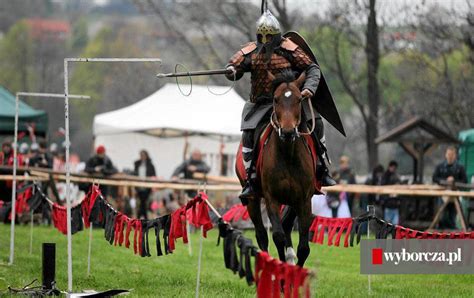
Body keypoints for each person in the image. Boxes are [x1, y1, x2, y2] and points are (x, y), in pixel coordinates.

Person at [225, 9, 339, 203]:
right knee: (248, 134)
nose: (265, 39)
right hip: (261, 102)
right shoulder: (251, 51)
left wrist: (309, 89)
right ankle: (251, 180)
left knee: (316, 122)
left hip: (290, 100)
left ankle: (321, 168)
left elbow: (312, 68)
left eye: (269, 35)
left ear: (276, 35)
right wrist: (231, 71)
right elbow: (235, 67)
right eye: (262, 36)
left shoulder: (290, 49)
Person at [432, 147, 467, 229]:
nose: (450, 156)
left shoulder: (460, 167)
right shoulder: (440, 167)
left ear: (455, 156)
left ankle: (451, 233)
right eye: (449, 154)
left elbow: (464, 181)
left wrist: (454, 181)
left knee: (453, 216)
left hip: (455, 195)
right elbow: (434, 178)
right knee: (441, 215)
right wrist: (445, 181)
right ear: (446, 155)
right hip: (442, 194)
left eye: (452, 154)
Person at [133, 150, 156, 219]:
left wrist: (152, 186)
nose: (142, 157)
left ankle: (140, 217)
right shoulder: (137, 164)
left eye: (143, 155)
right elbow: (135, 174)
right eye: (141, 155)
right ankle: (144, 218)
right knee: (142, 203)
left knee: (143, 202)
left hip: (147, 187)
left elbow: (153, 175)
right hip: (139, 187)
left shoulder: (150, 165)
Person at [381, 160, 401, 224]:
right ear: (390, 167)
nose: (393, 169)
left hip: (395, 203)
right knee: (387, 223)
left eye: (394, 168)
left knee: (395, 224)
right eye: (393, 167)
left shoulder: (396, 176)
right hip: (388, 203)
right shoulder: (385, 176)